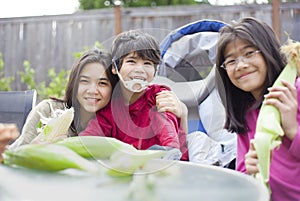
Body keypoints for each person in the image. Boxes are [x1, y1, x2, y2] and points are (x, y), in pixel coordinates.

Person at [9, 48, 186, 150]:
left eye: (102, 83)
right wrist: (38, 146)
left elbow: (177, 150)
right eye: (85, 81)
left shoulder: (117, 123)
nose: (93, 91)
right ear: (74, 83)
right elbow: (15, 155)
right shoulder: (48, 110)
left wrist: (183, 114)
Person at [215, 17, 300, 201]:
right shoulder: (245, 112)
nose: (241, 65)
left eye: (249, 53)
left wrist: (293, 129)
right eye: (231, 61)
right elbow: (243, 172)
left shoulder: (295, 91)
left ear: (268, 51)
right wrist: (250, 170)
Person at [80, 30, 189, 161]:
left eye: (147, 63)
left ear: (156, 71)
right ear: (115, 67)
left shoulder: (158, 94)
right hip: (127, 168)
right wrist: (78, 145)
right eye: (131, 61)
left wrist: (170, 147)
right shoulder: (110, 107)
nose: (140, 69)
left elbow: (165, 123)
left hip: (166, 161)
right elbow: (94, 131)